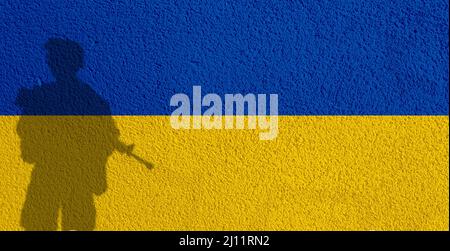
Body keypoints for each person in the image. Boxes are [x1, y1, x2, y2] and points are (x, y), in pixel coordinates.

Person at [16, 38, 131, 230]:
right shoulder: (90, 99)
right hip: (66, 175)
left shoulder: (46, 96)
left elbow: (105, 137)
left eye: (54, 59)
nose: (50, 63)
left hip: (61, 175)